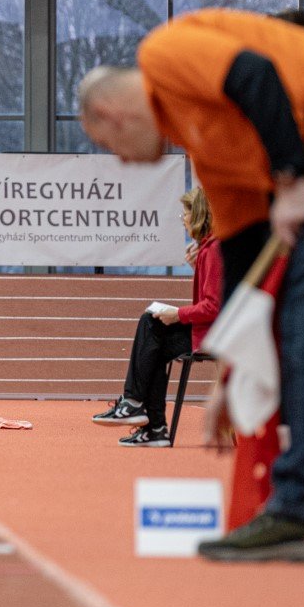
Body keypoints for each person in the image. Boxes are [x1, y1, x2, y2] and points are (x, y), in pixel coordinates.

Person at [78, 7, 304, 561]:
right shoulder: (201, 140)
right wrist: (231, 374)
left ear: (111, 114)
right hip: (302, 158)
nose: (125, 163)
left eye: (111, 150)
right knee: (291, 331)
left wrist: (290, 179)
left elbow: (257, 74)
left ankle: (302, 510)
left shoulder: (163, 54)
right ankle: (301, 503)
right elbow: (241, 252)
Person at [91, 187, 222, 446]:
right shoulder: (207, 249)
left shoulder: (214, 250)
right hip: (205, 330)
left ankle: (137, 408)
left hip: (212, 335)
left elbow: (215, 307)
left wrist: (178, 314)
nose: (183, 220)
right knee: (152, 331)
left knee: (152, 326)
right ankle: (153, 426)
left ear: (198, 215)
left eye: (185, 214)